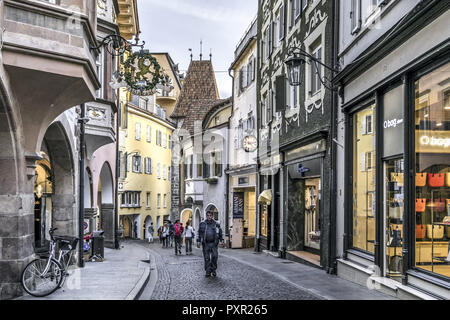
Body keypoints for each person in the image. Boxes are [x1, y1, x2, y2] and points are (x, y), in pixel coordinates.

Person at [196, 211, 224, 277]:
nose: (209, 217)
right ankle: (208, 271)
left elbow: (220, 232)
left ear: (212, 216)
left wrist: (221, 240)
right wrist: (198, 241)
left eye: (210, 215)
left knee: (215, 256)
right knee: (207, 258)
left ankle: (213, 269)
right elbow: (199, 233)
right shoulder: (202, 223)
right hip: (206, 244)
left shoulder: (216, 224)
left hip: (214, 244)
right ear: (206, 216)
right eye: (208, 215)